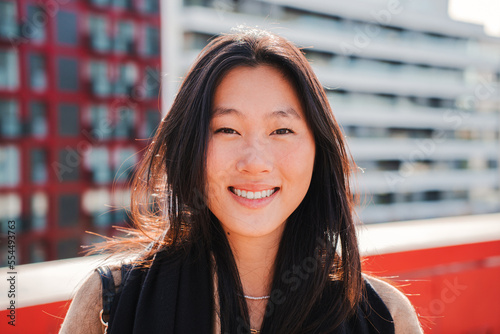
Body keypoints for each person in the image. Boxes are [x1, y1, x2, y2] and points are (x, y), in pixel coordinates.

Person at [60, 27, 423, 334]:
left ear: (318, 149)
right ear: (190, 146)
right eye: (227, 129)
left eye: (281, 130)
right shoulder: (111, 304)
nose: (255, 163)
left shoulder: (384, 317)